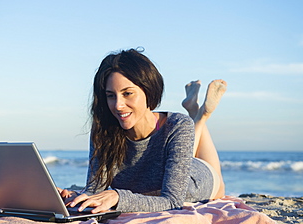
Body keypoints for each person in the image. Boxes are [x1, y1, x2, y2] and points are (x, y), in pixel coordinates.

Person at [59, 48, 227, 213]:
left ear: (148, 90)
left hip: (196, 179)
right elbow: (95, 189)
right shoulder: (104, 130)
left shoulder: (177, 125)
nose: (118, 105)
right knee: (184, 133)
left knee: (218, 181)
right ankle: (194, 111)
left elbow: (172, 201)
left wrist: (119, 197)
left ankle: (200, 115)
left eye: (128, 93)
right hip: (170, 159)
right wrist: (77, 197)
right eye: (111, 95)